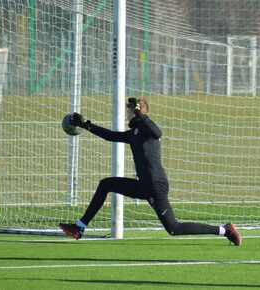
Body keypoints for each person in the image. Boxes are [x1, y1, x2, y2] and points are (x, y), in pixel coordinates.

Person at [59, 97, 242, 246]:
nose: (128, 114)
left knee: (173, 229)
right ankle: (79, 227)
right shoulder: (133, 134)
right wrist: (86, 125)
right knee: (106, 184)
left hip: (156, 185)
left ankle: (225, 230)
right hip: (144, 186)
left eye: (130, 111)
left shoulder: (147, 130)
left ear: (139, 111)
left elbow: (158, 132)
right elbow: (110, 136)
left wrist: (141, 115)